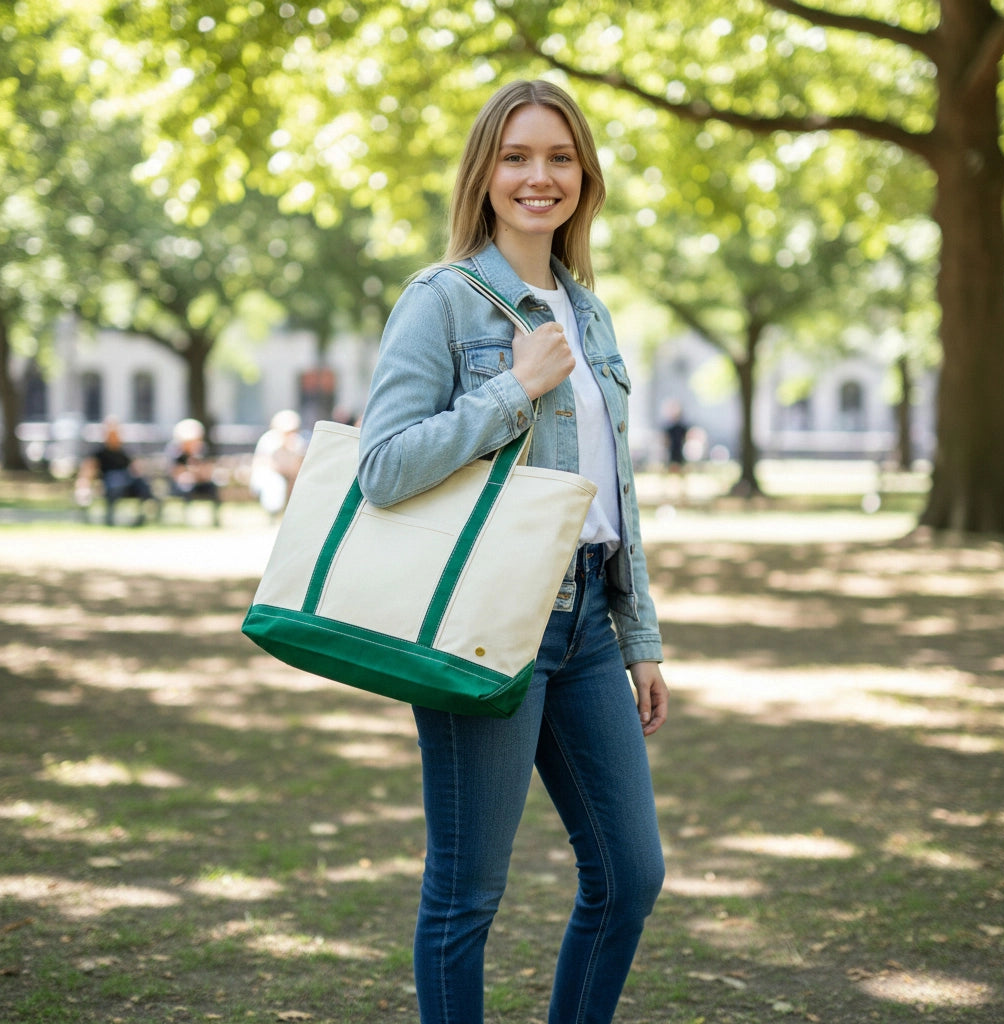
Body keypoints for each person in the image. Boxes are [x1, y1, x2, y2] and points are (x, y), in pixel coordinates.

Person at [357, 80, 668, 1024]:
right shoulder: (442, 301)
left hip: (583, 631)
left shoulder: (592, 311)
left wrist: (639, 634)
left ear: (587, 177)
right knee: (467, 896)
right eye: (518, 157)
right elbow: (380, 467)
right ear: (485, 175)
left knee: (630, 876)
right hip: (484, 625)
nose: (541, 177)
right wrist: (509, 394)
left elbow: (615, 492)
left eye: (561, 158)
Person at [75, 416, 160, 526]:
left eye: (117, 434)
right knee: (116, 483)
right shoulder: (99, 453)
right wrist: (84, 487)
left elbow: (135, 469)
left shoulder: (124, 452)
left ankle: (141, 519)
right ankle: (110, 519)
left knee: (142, 485)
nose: (115, 437)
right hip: (110, 484)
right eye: (111, 434)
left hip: (127, 482)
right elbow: (88, 470)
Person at [249, 409, 306, 516]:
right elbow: (264, 464)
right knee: (276, 482)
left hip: (291, 476)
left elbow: (299, 466)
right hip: (269, 476)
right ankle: (273, 512)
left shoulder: (298, 442)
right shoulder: (268, 440)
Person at [165, 418, 222, 525]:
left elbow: (206, 471)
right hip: (181, 485)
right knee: (187, 486)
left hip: (199, 481)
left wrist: (195, 469)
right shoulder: (176, 452)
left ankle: (215, 519)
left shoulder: (201, 450)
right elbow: (176, 473)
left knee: (213, 486)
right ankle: (185, 519)